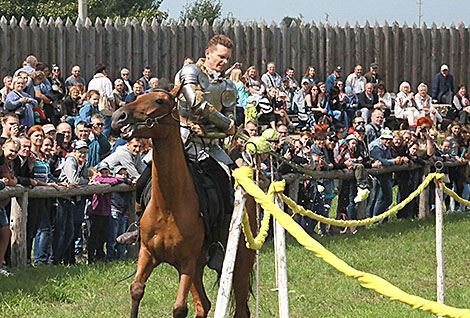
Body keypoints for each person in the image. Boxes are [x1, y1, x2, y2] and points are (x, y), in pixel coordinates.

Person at [175, 34, 237, 273]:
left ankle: (219, 243)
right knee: (147, 175)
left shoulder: (228, 86)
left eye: (227, 58)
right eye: (220, 57)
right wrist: (218, 124)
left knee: (226, 184)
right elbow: (195, 104)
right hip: (179, 139)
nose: (223, 62)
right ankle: (139, 227)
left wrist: (210, 130)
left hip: (209, 147)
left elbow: (230, 124)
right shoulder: (190, 72)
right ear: (208, 53)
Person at [52, 140, 89, 265]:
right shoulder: (71, 160)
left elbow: (85, 180)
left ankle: (65, 258)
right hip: (64, 197)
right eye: (80, 152)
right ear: (75, 151)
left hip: (73, 198)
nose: (83, 154)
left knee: (71, 230)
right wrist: (82, 181)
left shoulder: (82, 162)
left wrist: (82, 181)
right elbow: (74, 179)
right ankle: (56, 259)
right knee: (62, 230)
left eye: (85, 152)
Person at [87, 162, 128, 263]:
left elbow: (111, 180)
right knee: (94, 236)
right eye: (102, 172)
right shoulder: (97, 179)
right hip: (96, 211)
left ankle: (100, 255)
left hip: (106, 212)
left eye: (106, 172)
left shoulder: (109, 180)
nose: (104, 174)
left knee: (103, 236)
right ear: (98, 172)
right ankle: (91, 257)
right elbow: (104, 180)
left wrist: (118, 179)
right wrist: (122, 179)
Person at [107, 166, 132, 261]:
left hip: (124, 211)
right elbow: (113, 180)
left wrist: (126, 180)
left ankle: (121, 257)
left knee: (122, 235)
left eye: (125, 174)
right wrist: (124, 179)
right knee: (113, 236)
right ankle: (110, 257)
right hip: (114, 209)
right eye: (120, 174)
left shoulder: (128, 183)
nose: (123, 176)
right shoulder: (114, 182)